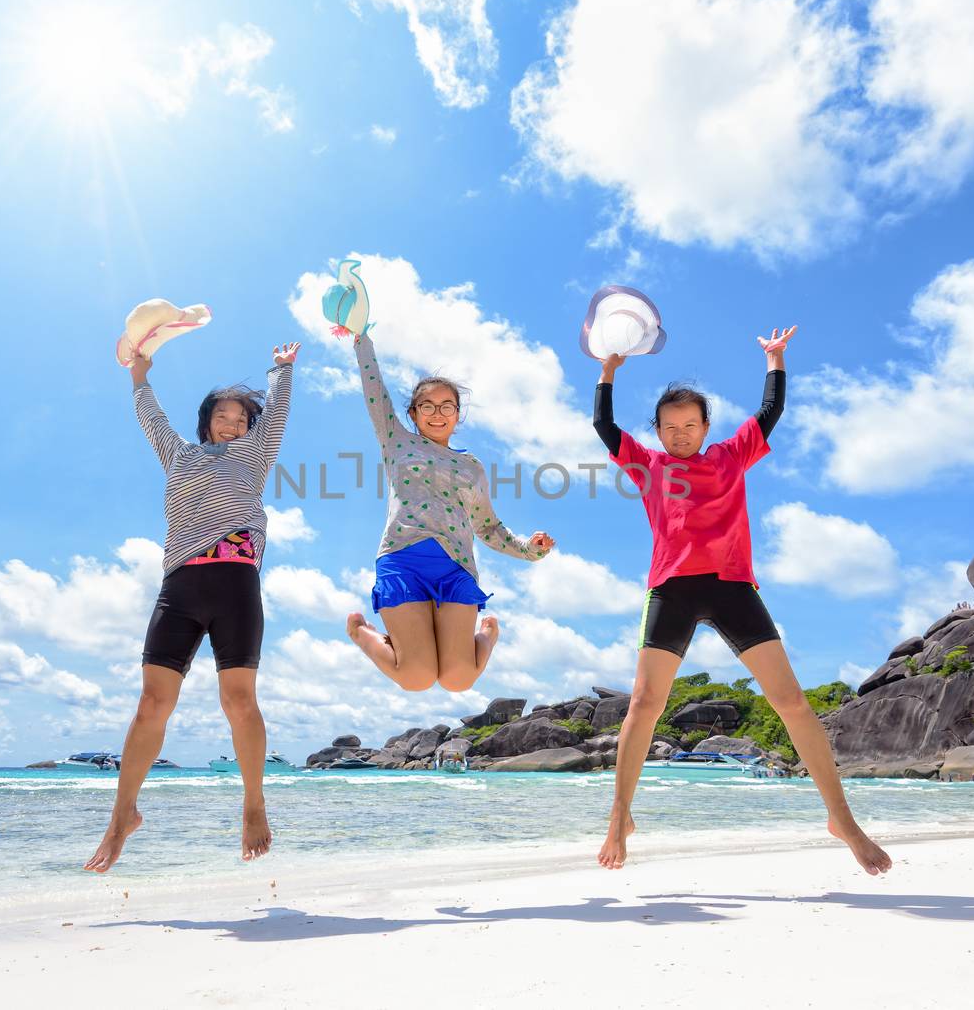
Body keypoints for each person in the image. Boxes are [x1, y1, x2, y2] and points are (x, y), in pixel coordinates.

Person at [591, 325, 890, 876]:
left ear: (706, 427)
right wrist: (607, 373)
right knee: (643, 705)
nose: (680, 434)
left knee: (793, 702)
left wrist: (775, 360)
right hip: (672, 588)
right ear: (655, 432)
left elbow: (769, 412)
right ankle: (620, 814)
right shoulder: (648, 466)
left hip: (733, 587)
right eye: (670, 427)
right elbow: (603, 425)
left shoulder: (730, 457)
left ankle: (842, 819)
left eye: (690, 425)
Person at [85, 338, 300, 873]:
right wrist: (140, 374)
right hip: (179, 585)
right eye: (222, 415)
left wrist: (281, 370)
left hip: (235, 585)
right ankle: (121, 816)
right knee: (150, 705)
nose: (232, 423)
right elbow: (150, 417)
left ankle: (254, 804)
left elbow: (276, 415)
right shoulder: (178, 453)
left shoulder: (254, 456)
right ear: (206, 421)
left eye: (241, 418)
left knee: (238, 701)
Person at [344, 329, 555, 691]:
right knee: (416, 677)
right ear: (413, 413)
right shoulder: (397, 441)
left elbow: (488, 527)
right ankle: (363, 633)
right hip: (403, 559)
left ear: (458, 415)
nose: (437, 413)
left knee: (458, 680)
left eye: (447, 407)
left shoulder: (471, 466)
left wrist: (529, 551)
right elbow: (375, 393)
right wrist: (362, 340)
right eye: (428, 406)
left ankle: (487, 634)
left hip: (455, 567)